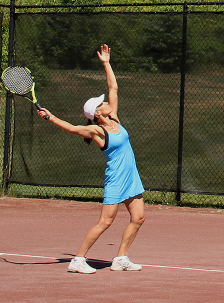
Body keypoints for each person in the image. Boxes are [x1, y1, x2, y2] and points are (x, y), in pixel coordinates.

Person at [37, 44, 146, 274]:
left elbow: (113, 87)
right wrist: (51, 117)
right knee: (105, 222)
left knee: (138, 218)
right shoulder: (98, 132)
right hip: (116, 178)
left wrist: (106, 64)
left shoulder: (114, 118)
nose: (106, 102)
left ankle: (120, 259)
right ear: (97, 112)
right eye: (102, 103)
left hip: (131, 176)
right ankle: (78, 260)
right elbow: (73, 128)